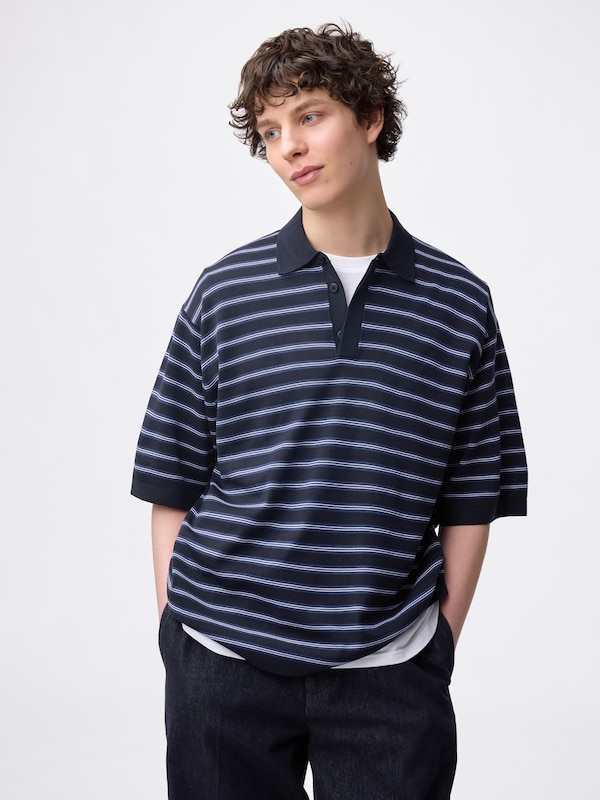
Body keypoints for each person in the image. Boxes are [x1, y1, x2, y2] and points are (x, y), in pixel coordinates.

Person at [131, 22, 527, 800]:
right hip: (222, 662)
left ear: (371, 117)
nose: (289, 148)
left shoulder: (459, 304)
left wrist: (436, 646)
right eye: (271, 131)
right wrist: (180, 643)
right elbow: (171, 482)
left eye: (309, 116)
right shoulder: (225, 293)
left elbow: (472, 496)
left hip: (389, 674)